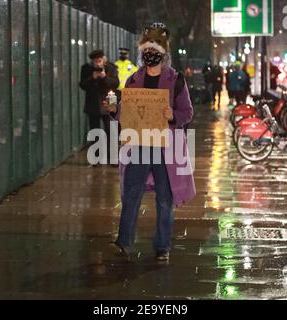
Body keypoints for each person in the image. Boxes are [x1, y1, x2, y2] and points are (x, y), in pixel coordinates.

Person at [102, 22, 196, 261]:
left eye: (153, 49)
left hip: (166, 148)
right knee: (131, 194)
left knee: (165, 199)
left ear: (163, 52)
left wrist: (172, 115)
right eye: (146, 49)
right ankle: (124, 242)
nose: (149, 54)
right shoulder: (133, 80)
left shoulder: (176, 81)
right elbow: (126, 114)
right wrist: (114, 110)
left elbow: (187, 113)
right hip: (139, 146)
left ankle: (162, 246)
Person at [80, 49, 119, 165]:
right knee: (95, 131)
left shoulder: (111, 67)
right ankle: (95, 158)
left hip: (109, 101)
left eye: (100, 61)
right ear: (92, 61)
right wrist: (93, 77)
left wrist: (104, 77)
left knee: (111, 131)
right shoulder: (86, 68)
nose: (98, 64)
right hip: (93, 102)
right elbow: (83, 85)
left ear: (104, 60)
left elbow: (116, 83)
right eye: (95, 62)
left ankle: (113, 158)